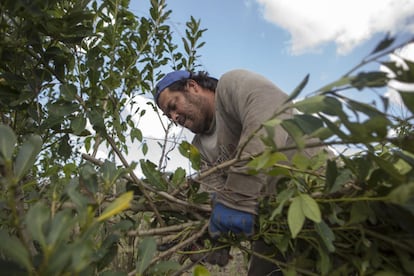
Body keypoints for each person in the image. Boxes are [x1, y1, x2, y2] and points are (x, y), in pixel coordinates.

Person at [154, 69, 325, 275]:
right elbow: (216, 195)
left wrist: (238, 195)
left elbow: (272, 110)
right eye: (168, 115)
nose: (174, 117)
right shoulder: (200, 147)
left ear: (192, 86)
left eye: (173, 106)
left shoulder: (229, 87)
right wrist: (210, 238)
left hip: (319, 189)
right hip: (274, 220)